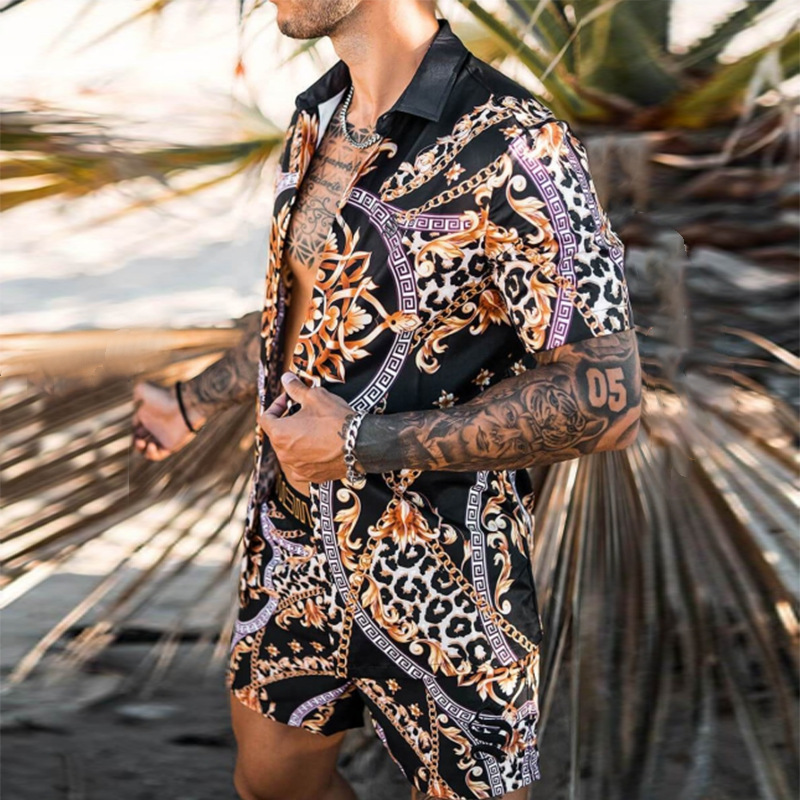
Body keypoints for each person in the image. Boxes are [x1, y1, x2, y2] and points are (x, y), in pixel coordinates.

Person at [132, 1, 642, 798]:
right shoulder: (318, 117)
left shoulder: (517, 140)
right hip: (292, 543)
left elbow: (606, 395)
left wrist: (360, 444)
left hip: (443, 568)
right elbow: (308, 316)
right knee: (272, 785)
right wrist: (190, 402)